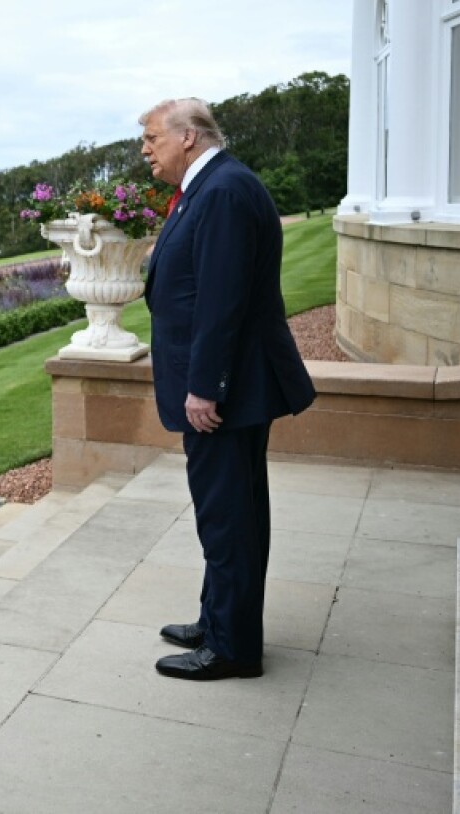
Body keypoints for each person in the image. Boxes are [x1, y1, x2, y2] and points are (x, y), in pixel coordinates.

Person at [140, 98, 316, 681]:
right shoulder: (213, 186)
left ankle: (232, 647)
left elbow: (222, 301)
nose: (146, 149)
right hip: (228, 386)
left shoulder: (221, 192)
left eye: (152, 138)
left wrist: (205, 388)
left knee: (228, 518)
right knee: (231, 511)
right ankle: (219, 618)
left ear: (188, 136)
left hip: (225, 393)